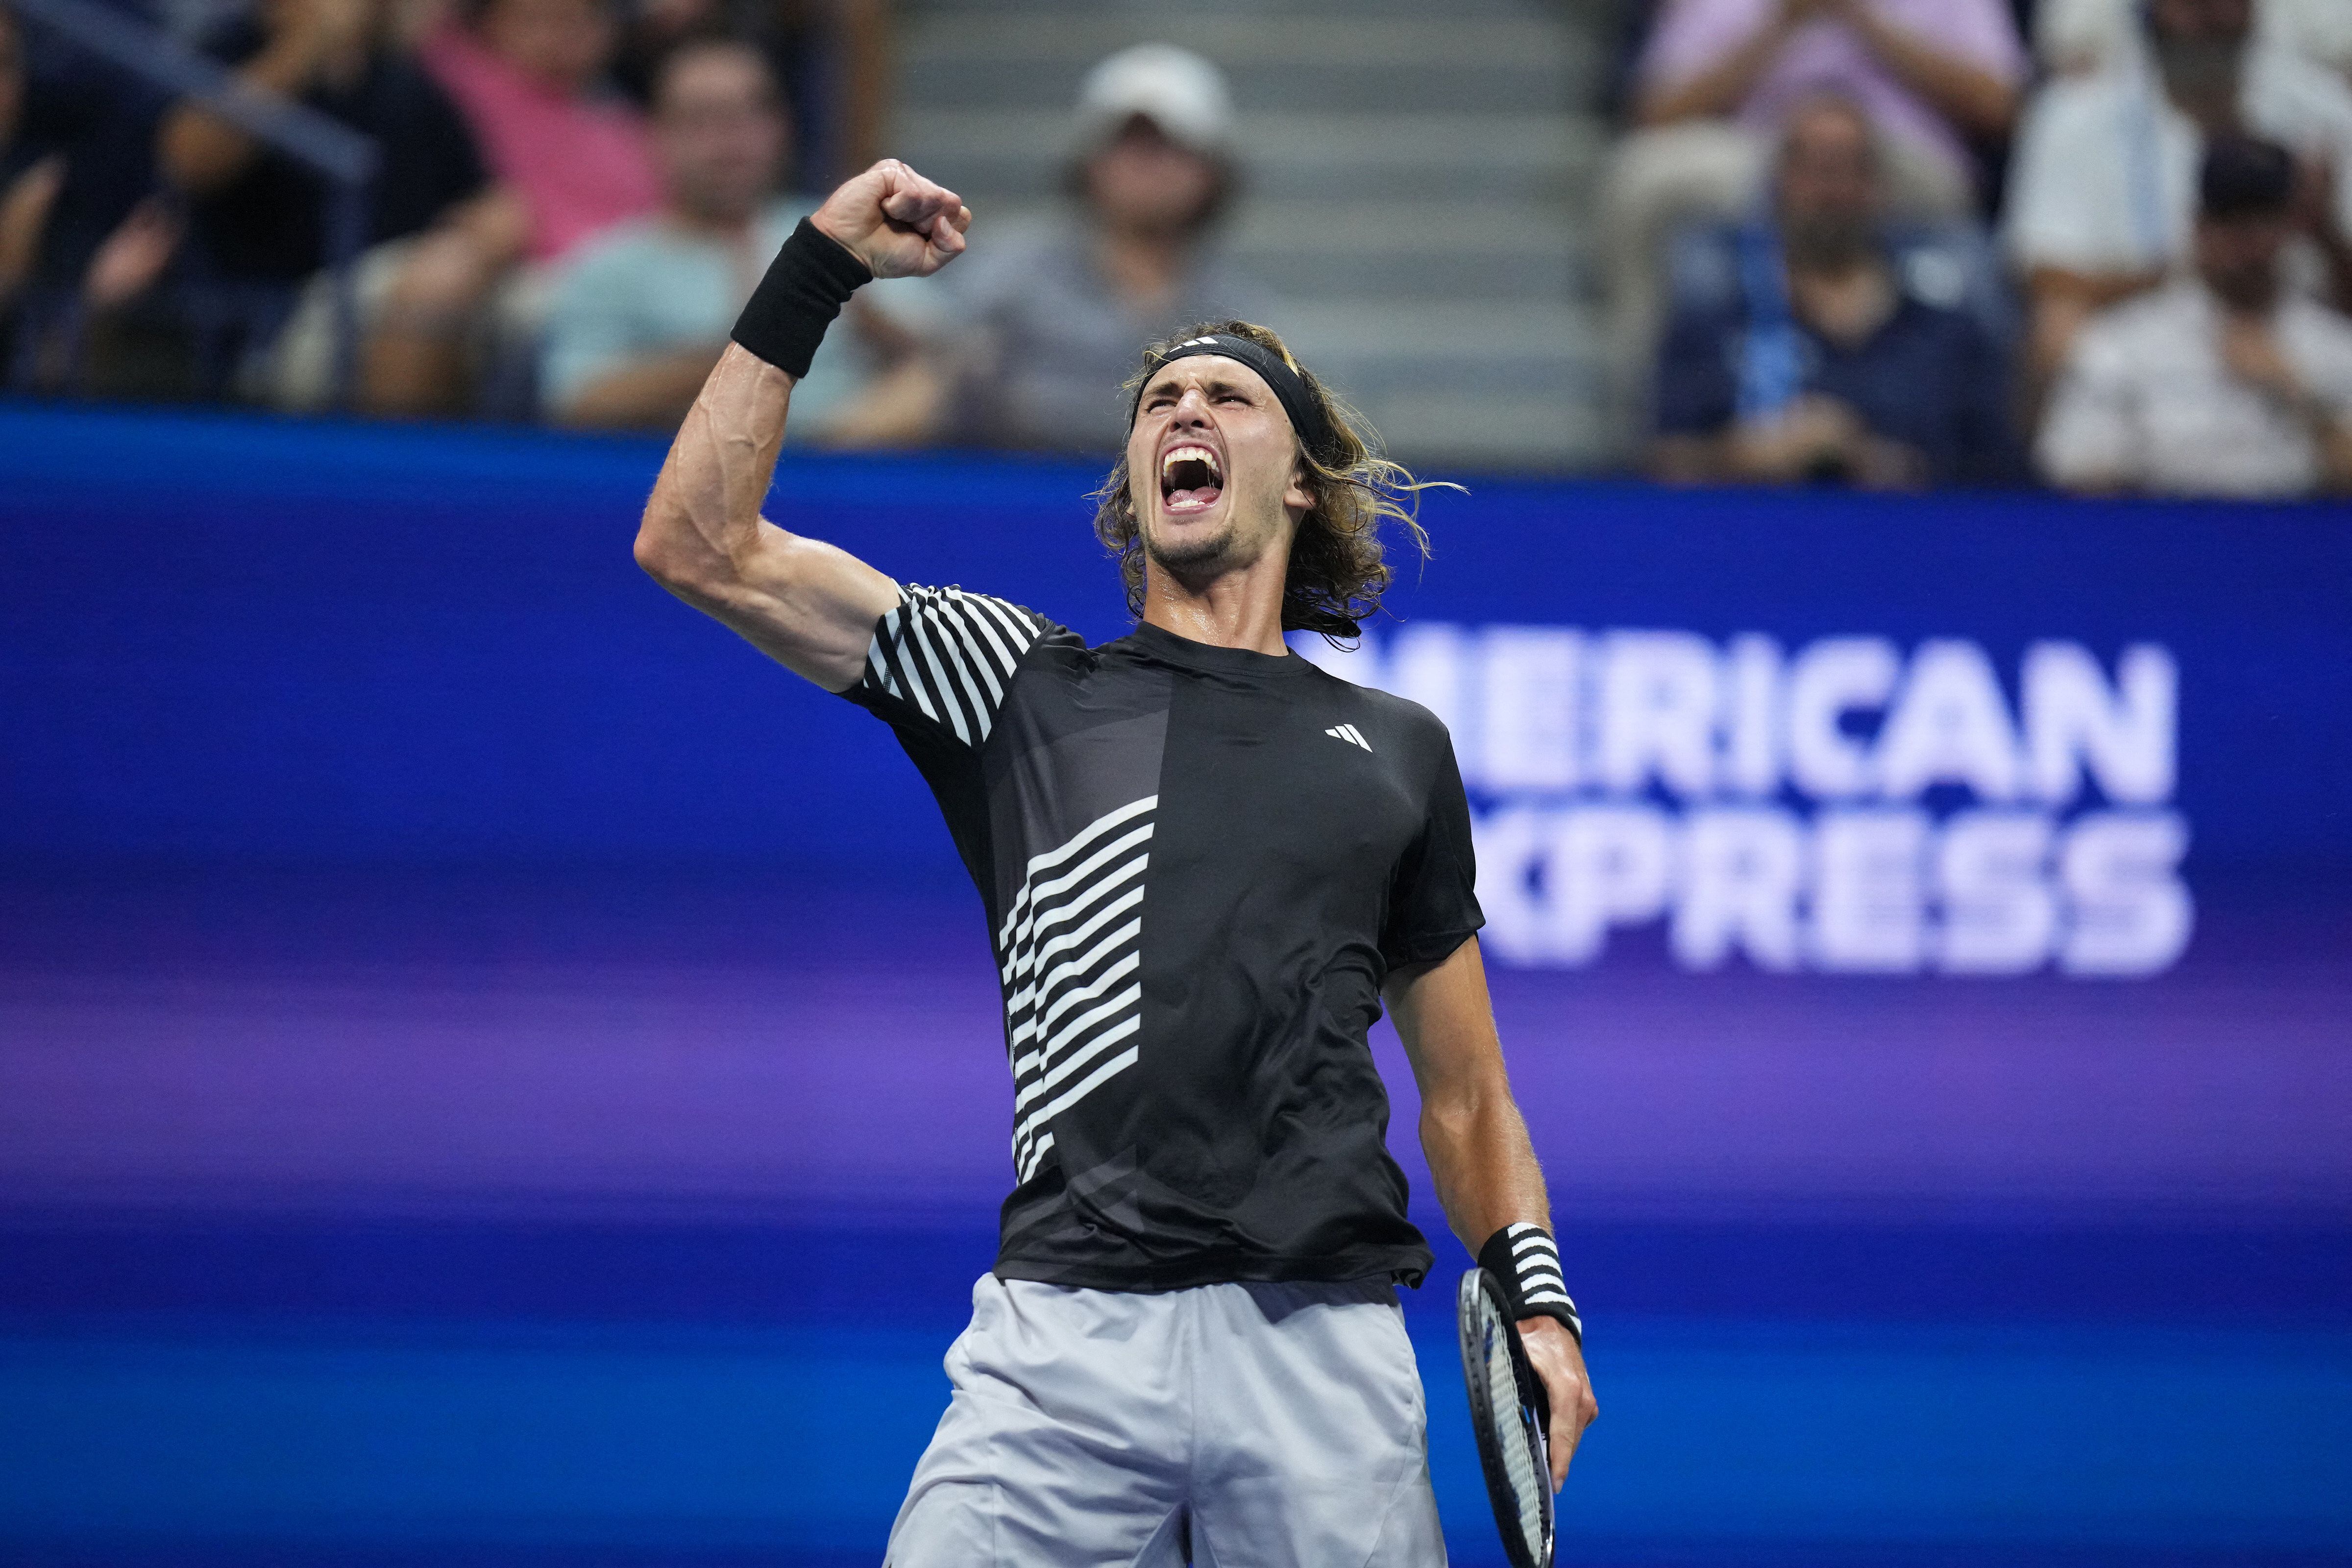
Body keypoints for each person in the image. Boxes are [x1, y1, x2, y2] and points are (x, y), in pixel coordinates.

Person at [632, 158, 1598, 1563]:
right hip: (1062, 1349)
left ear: (1304, 481)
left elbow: (1466, 1094)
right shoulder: (1015, 682)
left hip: (1322, 1358)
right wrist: (818, 269)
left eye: (1228, 399)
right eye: (1159, 405)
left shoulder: (1396, 748)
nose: (1184, 413)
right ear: (1139, 479)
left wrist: (1539, 1302)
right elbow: (699, 544)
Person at [1599, 0, 2025, 433]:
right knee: (1643, 178)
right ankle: (1646, 412)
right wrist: (1782, 23)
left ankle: (1960, 426)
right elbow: (1656, 112)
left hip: (1899, 147)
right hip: (1753, 144)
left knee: (1918, 179)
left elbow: (2000, 107)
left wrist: (1859, 18)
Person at [539, 33, 932, 435]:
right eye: (702, 117)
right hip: (687, 469)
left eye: (751, 112)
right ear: (655, 134)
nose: (730, 137)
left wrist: (867, 317)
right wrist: (751, 344)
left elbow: (943, 360)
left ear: (781, 127)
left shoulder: (840, 228)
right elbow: (577, 402)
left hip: (848, 459)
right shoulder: (610, 264)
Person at [919, 43, 1276, 452]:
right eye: (1127, 143)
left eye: (1172, 145)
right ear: (1089, 161)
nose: (1148, 164)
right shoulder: (1001, 279)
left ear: (1212, 172)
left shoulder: (1244, 319)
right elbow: (918, 391)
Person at [1652, 95, 2019, 488]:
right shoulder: (1717, 312)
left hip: (1913, 532)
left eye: (1849, 170)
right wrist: (1740, 456)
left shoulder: (1944, 324)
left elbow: (2002, 470)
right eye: (1815, 170)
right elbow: (1662, 458)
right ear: (1778, 183)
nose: (1830, 192)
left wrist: (1889, 465)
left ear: (1878, 186)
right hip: (1758, 529)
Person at [158, 0, 507, 412]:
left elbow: (492, 200)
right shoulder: (233, 48)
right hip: (279, 318)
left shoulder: (401, 76)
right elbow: (190, 162)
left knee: (537, 303)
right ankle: (389, 465)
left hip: (415, 270)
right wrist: (307, 45)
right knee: (437, 286)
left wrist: (489, 234)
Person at [2005, 0, 2352, 387]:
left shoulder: (2325, 114)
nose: (2209, 18)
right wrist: (2199, 266)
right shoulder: (2077, 110)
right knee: (2059, 329)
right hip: (2147, 342)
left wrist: (2323, 230)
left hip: (2301, 337)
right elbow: (2049, 277)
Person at [2039, 133, 2352, 496]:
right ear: (2199, 225)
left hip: (2300, 541)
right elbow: (2075, 471)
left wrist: (2296, 394)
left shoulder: (2333, 345)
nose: (2248, 242)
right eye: (2230, 221)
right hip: (2167, 537)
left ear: (2290, 226)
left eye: (2264, 221)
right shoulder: (2125, 341)